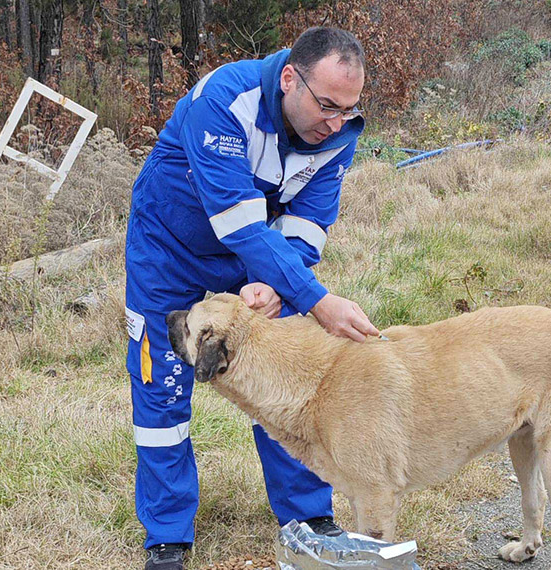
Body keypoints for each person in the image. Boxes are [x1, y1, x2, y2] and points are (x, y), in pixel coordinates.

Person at [123, 26, 379, 570]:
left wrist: (280, 281)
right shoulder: (224, 99)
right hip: (170, 250)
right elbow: (236, 223)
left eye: (350, 111)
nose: (337, 123)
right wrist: (317, 301)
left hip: (256, 253)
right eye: (327, 105)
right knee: (162, 387)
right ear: (290, 78)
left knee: (287, 376)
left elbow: (310, 221)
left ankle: (308, 519)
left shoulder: (339, 128)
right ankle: (168, 536)